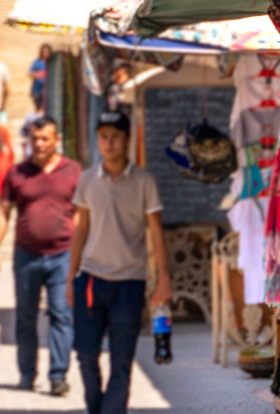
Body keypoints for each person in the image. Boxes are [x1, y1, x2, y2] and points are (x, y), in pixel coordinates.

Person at [70, 109, 173, 414]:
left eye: (115, 136)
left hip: (130, 282)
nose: (109, 142)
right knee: (86, 353)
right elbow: (80, 230)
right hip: (90, 278)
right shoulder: (87, 180)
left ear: (127, 140)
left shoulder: (144, 182)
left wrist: (163, 279)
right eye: (103, 136)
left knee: (122, 360)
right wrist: (69, 277)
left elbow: (156, 231)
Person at [0, 116, 82, 394]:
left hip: (63, 254)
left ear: (56, 140)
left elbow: (81, 214)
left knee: (61, 313)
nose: (40, 144)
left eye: (45, 138)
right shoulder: (17, 173)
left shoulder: (73, 171)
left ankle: (58, 375)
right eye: (35, 139)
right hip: (26, 256)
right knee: (25, 316)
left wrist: (82, 250)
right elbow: (3, 211)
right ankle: (26, 374)